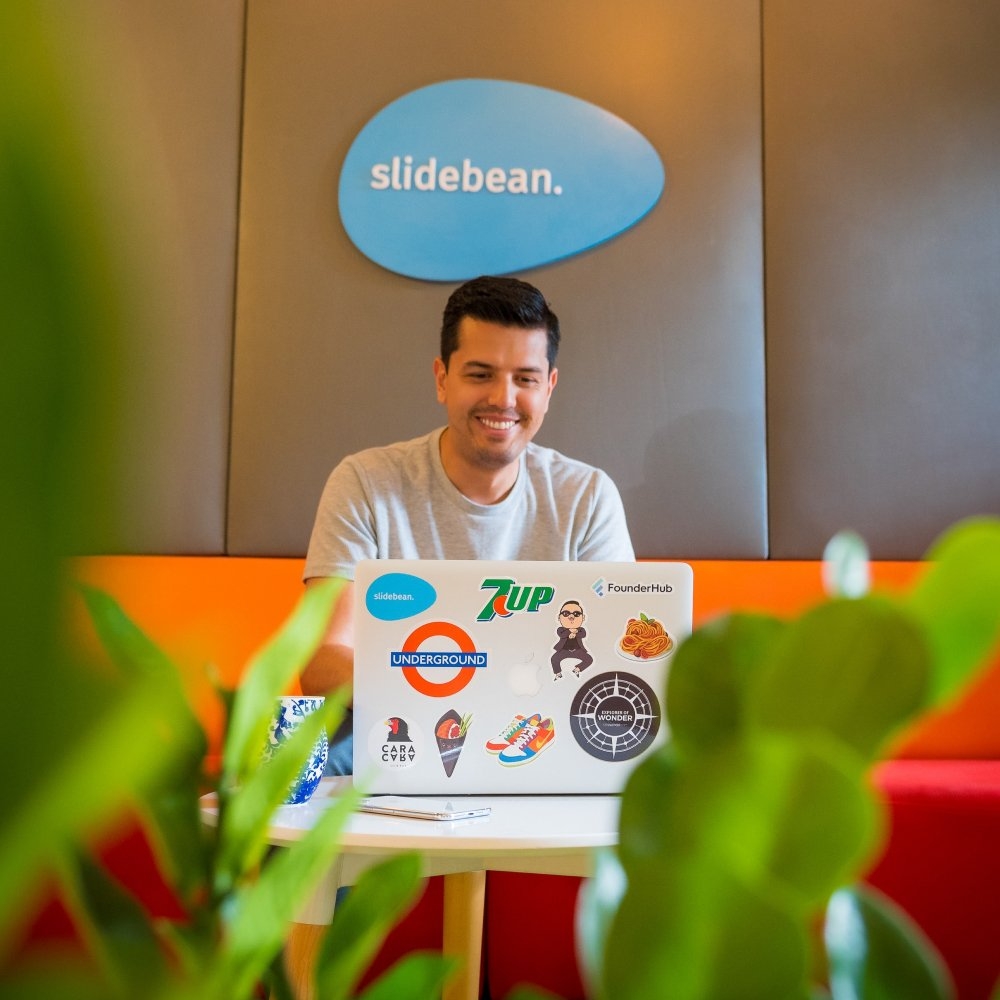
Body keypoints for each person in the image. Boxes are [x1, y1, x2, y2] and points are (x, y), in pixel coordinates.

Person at [300, 274, 634, 773]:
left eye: (525, 378)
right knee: (308, 755)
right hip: (394, 730)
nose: (503, 398)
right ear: (442, 379)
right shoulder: (366, 482)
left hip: (547, 731)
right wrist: (436, 689)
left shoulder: (586, 496)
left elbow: (616, 663)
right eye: (480, 374)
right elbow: (321, 663)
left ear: (549, 387)